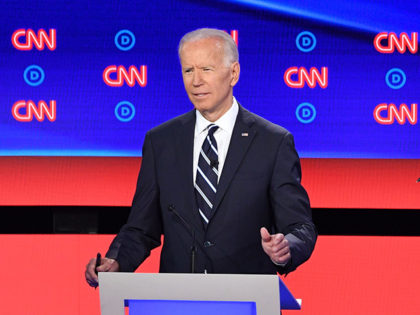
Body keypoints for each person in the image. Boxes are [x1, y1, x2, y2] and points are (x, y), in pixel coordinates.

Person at [85, 28, 317, 287]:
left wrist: (285, 248)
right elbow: (141, 227)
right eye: (188, 70)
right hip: (178, 299)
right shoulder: (161, 141)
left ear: (234, 73)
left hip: (247, 299)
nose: (196, 81)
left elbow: (301, 228)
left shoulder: (272, 142)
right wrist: (116, 261)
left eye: (206, 69)